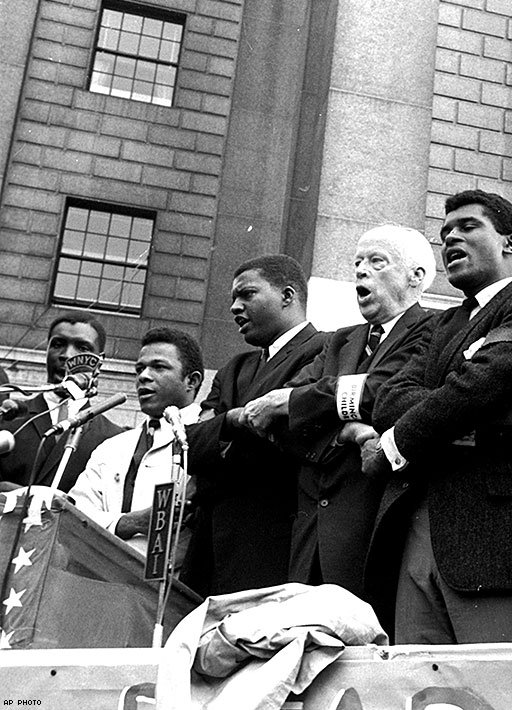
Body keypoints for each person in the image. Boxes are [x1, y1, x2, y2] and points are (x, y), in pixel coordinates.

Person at [363, 190, 512, 644]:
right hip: (413, 531)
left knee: (501, 686)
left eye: (468, 227)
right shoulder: (438, 325)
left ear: (510, 243)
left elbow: (486, 382)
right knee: (420, 684)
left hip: (490, 538)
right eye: (445, 232)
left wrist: (392, 444)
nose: (450, 239)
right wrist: (462, 418)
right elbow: (387, 397)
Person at [240, 225, 435, 597]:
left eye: (377, 262)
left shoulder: (432, 330)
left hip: (370, 535)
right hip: (309, 535)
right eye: (358, 262)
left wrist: (298, 404)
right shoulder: (341, 340)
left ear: (416, 277)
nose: (361, 271)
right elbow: (281, 419)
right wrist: (352, 432)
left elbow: (384, 392)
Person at [181, 254, 327, 596]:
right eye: (234, 298)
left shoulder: (325, 348)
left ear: (287, 296)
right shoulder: (234, 367)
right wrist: (234, 421)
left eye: (247, 294)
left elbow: (282, 439)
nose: (234, 307)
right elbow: (188, 445)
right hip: (209, 548)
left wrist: (219, 433)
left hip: (274, 543)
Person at [69, 328, 205, 557]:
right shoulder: (111, 448)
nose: (143, 376)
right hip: (101, 577)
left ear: (191, 381)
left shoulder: (208, 440)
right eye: (140, 369)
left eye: (159, 367)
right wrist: (131, 523)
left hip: (176, 586)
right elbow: (76, 514)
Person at [0, 313, 125, 492]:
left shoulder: (112, 438)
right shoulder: (7, 417)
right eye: (58, 345)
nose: (67, 355)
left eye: (82, 348)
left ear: (99, 361)